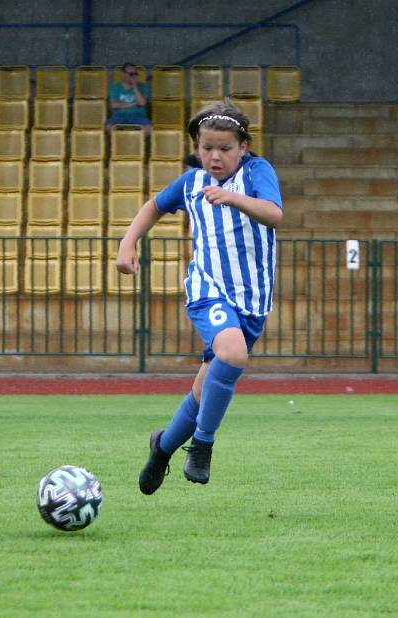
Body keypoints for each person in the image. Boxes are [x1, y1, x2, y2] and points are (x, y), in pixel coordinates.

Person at [116, 103, 283, 494]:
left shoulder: (258, 172)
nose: (214, 156)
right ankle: (203, 445)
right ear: (197, 147)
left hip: (252, 299)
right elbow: (153, 206)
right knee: (233, 353)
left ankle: (163, 447)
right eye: (207, 147)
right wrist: (128, 244)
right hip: (207, 288)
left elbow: (274, 214)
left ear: (243, 146)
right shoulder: (191, 182)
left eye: (224, 148)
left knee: (203, 388)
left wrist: (233, 198)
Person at [106, 63, 152, 134]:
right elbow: (114, 105)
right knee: (109, 127)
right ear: (123, 74)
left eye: (135, 74)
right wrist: (134, 104)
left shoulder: (143, 87)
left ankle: (136, 143)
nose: (133, 76)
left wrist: (135, 85)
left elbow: (142, 103)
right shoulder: (115, 88)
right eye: (131, 74)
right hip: (120, 115)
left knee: (148, 128)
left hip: (138, 114)